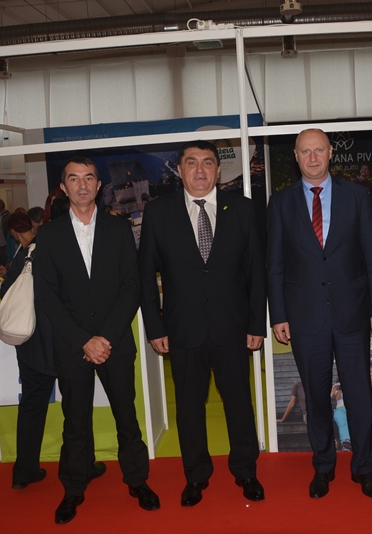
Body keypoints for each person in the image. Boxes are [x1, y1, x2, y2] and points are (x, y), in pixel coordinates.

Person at [138, 140, 266, 507]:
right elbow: (144, 275)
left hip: (233, 327)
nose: (199, 170)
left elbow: (256, 271)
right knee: (189, 408)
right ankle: (195, 475)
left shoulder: (242, 209)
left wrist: (256, 323)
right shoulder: (158, 212)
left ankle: (246, 471)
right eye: (191, 162)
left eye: (207, 162)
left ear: (218, 170)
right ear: (179, 170)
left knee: (239, 403)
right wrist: (155, 327)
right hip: (182, 330)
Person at [35, 156, 159, 525]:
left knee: (126, 416)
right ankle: (74, 488)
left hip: (114, 341)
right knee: (75, 422)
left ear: (98, 185)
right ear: (64, 187)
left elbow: (131, 286)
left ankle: (137, 481)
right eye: (74, 179)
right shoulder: (49, 235)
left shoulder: (118, 229)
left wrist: (105, 337)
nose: (82, 185)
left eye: (89, 178)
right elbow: (47, 296)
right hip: (72, 345)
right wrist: (83, 340)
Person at [267, 128, 372, 500]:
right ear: (296, 156)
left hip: (353, 314)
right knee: (317, 397)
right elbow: (275, 264)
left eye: (319, 150)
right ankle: (323, 467)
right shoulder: (281, 202)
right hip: (305, 318)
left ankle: (364, 469)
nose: (313, 158)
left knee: (359, 396)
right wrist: (278, 314)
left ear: (330, 152)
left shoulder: (356, 196)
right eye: (305, 152)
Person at [0, 212, 56, 491]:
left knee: (31, 407)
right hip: (58, 341)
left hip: (30, 344)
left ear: (13, 233)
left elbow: (5, 294)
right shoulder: (52, 249)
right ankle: (82, 464)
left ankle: (24, 470)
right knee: (76, 406)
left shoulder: (21, 257)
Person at [331, 382, 351, 451]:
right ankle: (345, 443)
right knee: (342, 421)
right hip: (339, 409)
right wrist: (342, 389)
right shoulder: (338, 388)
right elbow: (337, 398)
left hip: (350, 408)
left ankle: (347, 443)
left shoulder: (353, 386)